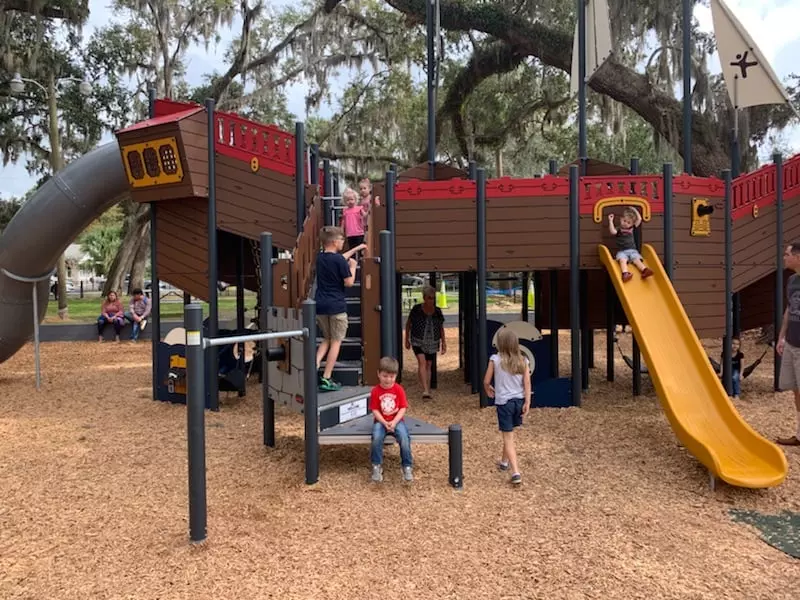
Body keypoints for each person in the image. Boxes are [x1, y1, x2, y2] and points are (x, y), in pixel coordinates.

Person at [315, 225, 366, 391]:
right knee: (336, 341)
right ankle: (327, 377)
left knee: (326, 338)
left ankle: (313, 368)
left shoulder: (320, 258)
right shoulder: (338, 260)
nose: (343, 243)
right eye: (342, 240)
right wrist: (353, 266)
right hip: (336, 305)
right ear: (335, 241)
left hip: (320, 304)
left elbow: (339, 258)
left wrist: (357, 248)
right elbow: (349, 282)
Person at [483, 328, 531, 485]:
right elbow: (527, 383)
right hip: (518, 401)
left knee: (508, 436)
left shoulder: (495, 360)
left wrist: (487, 388)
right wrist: (527, 402)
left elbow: (486, 380)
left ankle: (516, 471)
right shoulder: (523, 361)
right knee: (509, 432)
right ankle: (504, 462)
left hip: (504, 403)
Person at [369, 356, 413, 483]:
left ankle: (407, 466)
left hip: (397, 420)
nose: (388, 380)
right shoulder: (375, 391)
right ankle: (376, 465)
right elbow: (375, 410)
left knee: (404, 437)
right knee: (376, 437)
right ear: (378, 374)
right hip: (381, 421)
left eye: (391, 377)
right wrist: (384, 422)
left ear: (396, 376)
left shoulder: (398, 389)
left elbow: (403, 408)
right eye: (385, 376)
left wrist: (394, 422)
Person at [776, 242, 800, 446]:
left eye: (787, 254)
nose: (784, 257)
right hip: (792, 342)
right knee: (796, 389)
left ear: (798, 257)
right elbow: (789, 310)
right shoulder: (792, 281)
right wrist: (782, 336)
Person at [404, 285, 446, 400]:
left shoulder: (437, 311)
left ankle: (426, 386)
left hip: (433, 341)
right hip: (418, 340)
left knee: (429, 364)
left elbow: (441, 327)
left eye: (433, 298)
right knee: (422, 362)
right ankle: (425, 390)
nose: (431, 300)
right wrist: (406, 339)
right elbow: (408, 324)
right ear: (424, 298)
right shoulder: (416, 309)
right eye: (429, 298)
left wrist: (444, 343)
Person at [607, 207, 654, 282]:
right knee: (622, 260)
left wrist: (634, 210)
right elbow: (612, 232)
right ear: (621, 219)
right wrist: (610, 221)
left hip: (632, 250)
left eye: (628, 222)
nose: (626, 223)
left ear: (631, 224)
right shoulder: (618, 229)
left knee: (636, 260)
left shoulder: (632, 228)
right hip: (622, 251)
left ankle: (645, 270)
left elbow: (639, 219)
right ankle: (625, 274)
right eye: (624, 221)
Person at [339, 187, 367, 256]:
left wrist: (368, 209)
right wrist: (342, 229)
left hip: (359, 232)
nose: (350, 201)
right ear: (345, 201)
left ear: (355, 200)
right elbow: (343, 221)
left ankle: (361, 261)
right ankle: (353, 262)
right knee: (352, 249)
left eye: (352, 199)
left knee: (360, 249)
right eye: (348, 200)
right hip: (350, 233)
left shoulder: (359, 208)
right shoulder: (345, 210)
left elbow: (365, 216)